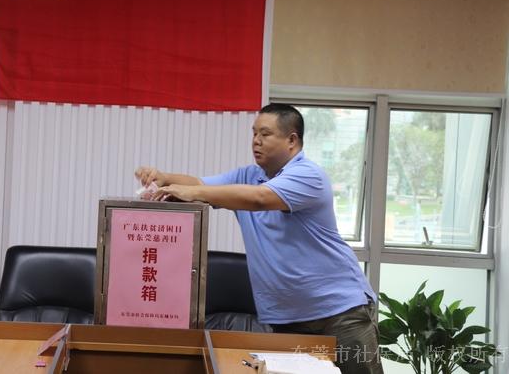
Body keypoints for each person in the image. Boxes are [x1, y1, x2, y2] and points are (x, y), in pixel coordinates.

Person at [135, 103, 382, 374]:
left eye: (265, 134)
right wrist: (165, 177)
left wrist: (193, 193)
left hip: (340, 312)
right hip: (288, 319)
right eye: (254, 133)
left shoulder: (309, 175)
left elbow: (260, 199)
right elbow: (201, 184)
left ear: (292, 140)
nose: (256, 141)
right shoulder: (248, 176)